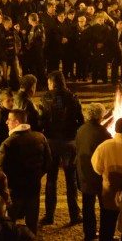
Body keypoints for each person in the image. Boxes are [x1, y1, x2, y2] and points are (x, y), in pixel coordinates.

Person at [38, 70, 83, 225]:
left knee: (51, 179)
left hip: (52, 141)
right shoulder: (72, 97)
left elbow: (41, 120)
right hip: (69, 141)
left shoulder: (45, 98)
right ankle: (74, 214)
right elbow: (80, 119)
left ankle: (49, 215)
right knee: (71, 179)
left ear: (52, 83)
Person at [0, 108, 51, 234]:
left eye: (9, 120)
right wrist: (36, 175)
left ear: (17, 122)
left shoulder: (8, 143)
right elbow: (48, 163)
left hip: (14, 189)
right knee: (32, 222)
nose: (6, 122)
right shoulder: (40, 137)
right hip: (34, 186)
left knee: (10, 222)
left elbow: (0, 169)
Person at [75, 103, 110, 241]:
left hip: (84, 171)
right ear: (100, 116)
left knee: (87, 205)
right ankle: (105, 234)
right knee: (105, 206)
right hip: (98, 173)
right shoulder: (103, 132)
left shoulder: (81, 130)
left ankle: (89, 233)